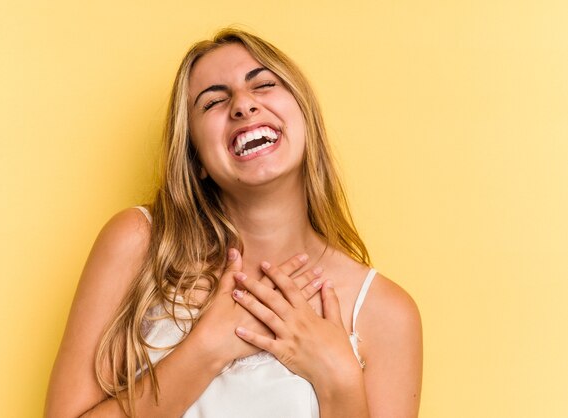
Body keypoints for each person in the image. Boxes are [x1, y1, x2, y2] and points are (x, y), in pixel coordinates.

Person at [45, 28, 422, 418]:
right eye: (213, 102)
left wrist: (339, 379)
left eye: (263, 84)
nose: (243, 105)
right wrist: (207, 347)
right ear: (195, 159)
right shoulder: (138, 242)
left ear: (305, 118)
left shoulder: (386, 313)